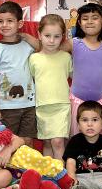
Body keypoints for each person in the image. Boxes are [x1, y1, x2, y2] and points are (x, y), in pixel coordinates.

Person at [23, 3, 102, 151]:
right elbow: (48, 47)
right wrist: (26, 37)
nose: (89, 21)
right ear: (79, 22)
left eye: (94, 18)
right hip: (76, 101)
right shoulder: (73, 43)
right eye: (85, 18)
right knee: (74, 142)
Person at [0, 1, 36, 148]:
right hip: (6, 106)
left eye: (9, 21)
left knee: (27, 141)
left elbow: (42, 48)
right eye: (0, 21)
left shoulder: (28, 45)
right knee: (7, 142)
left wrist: (26, 36)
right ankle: (8, 171)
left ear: (20, 23)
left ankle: (27, 171)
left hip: (29, 104)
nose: (4, 25)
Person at [29, 14, 72, 160]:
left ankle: (61, 176)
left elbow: (76, 77)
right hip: (41, 106)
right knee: (47, 142)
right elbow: (31, 81)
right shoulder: (34, 58)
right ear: (39, 35)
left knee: (58, 142)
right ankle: (48, 175)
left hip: (61, 105)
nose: (52, 40)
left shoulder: (66, 57)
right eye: (47, 35)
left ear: (63, 37)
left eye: (57, 36)